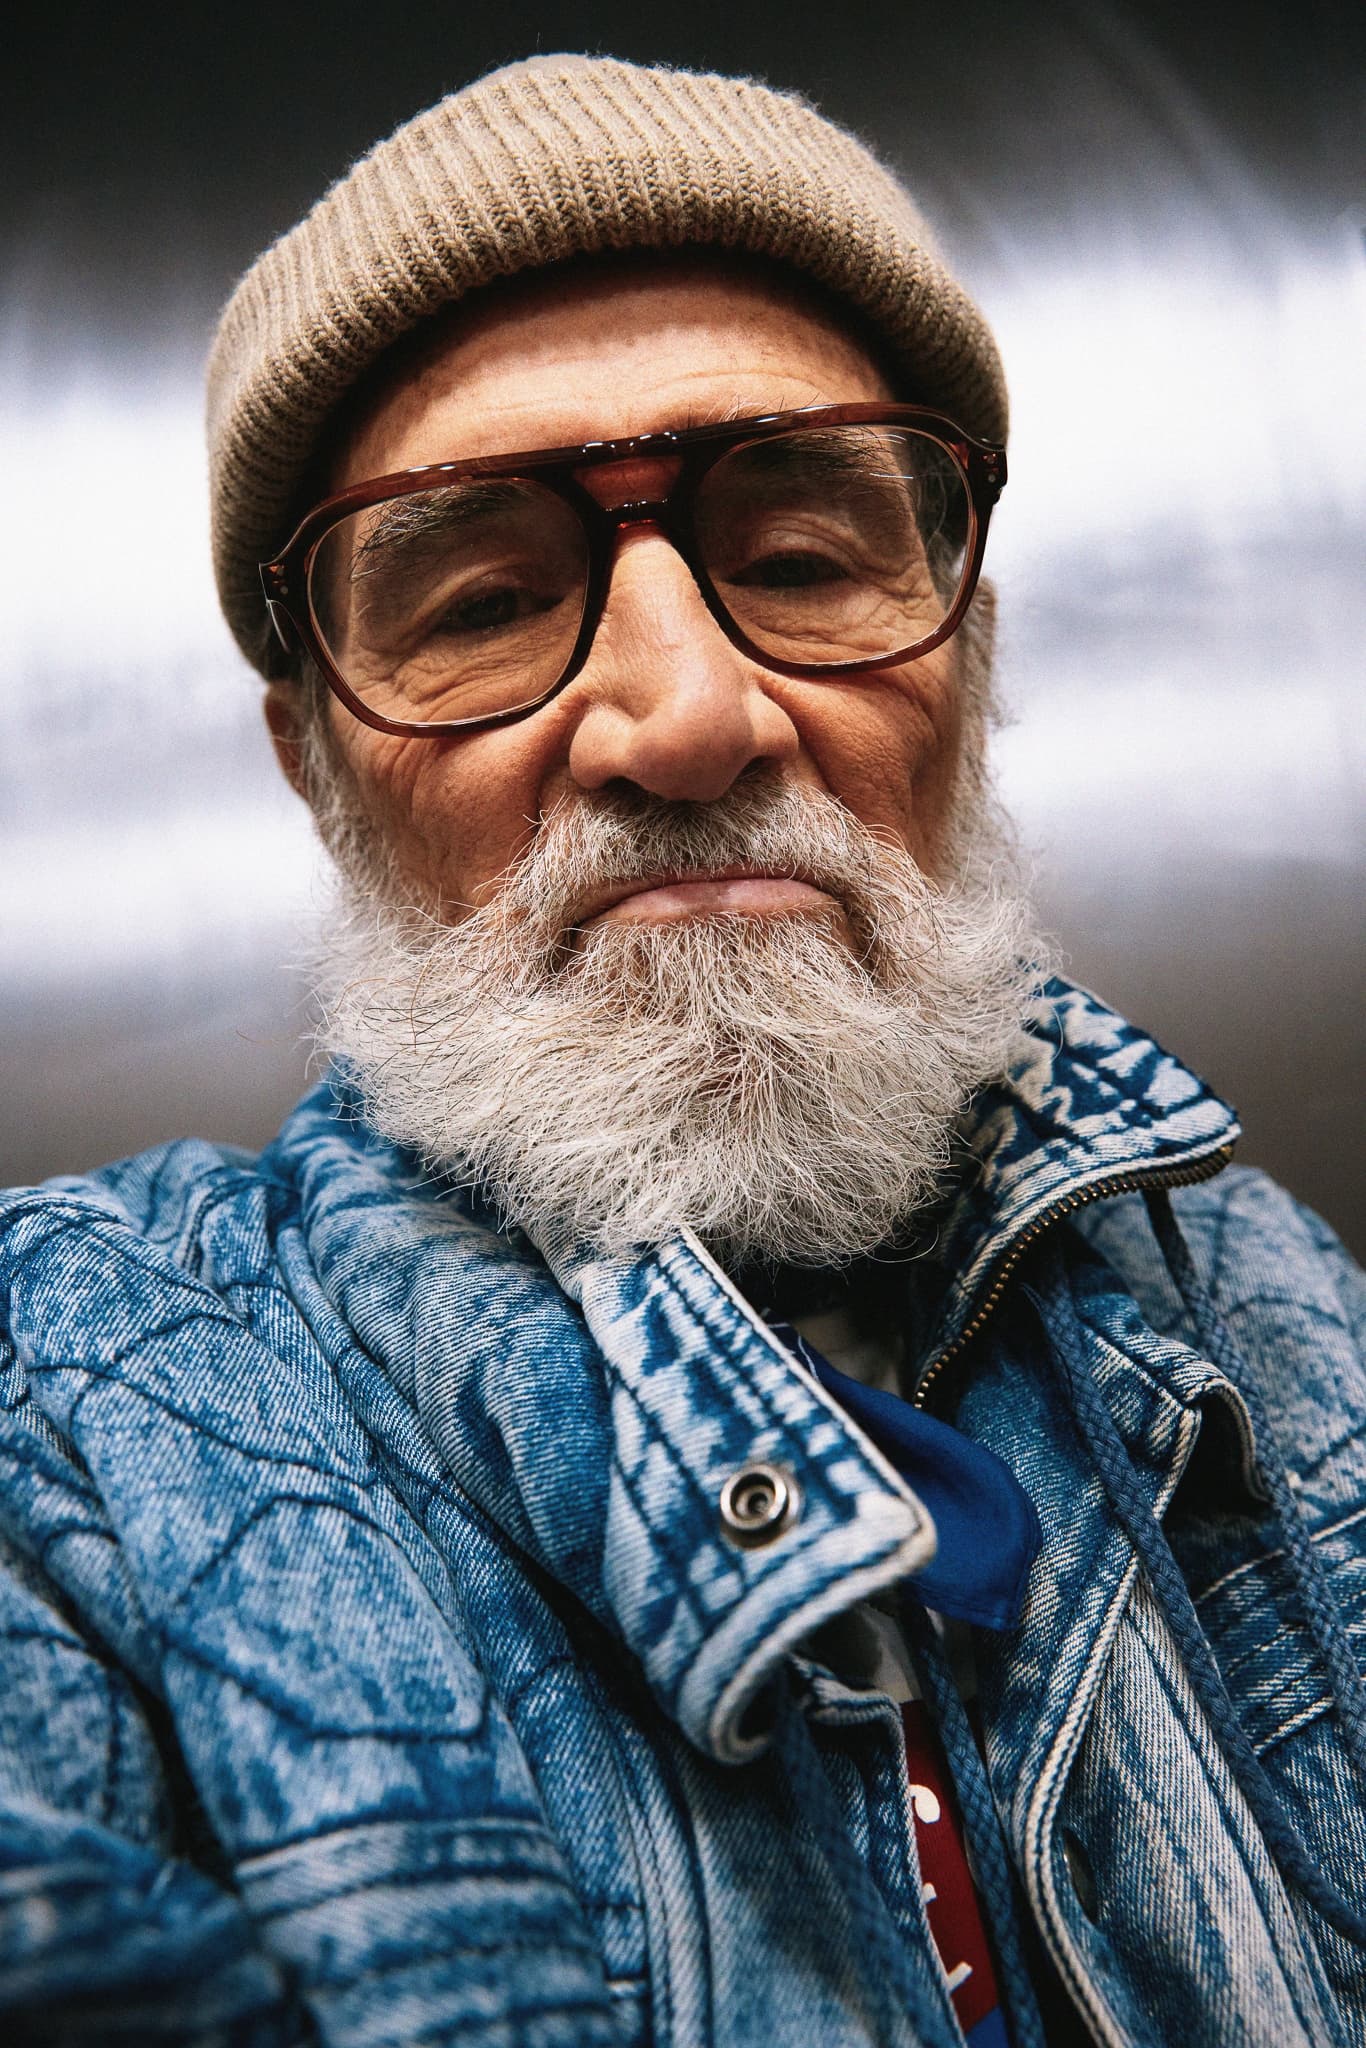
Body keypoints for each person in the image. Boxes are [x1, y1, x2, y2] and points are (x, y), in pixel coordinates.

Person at [1, 51, 1362, 2048]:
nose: (684, 716)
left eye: (802, 560)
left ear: (962, 669)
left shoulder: (1279, 1316)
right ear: (315, 769)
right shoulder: (66, 1410)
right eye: (476, 598)